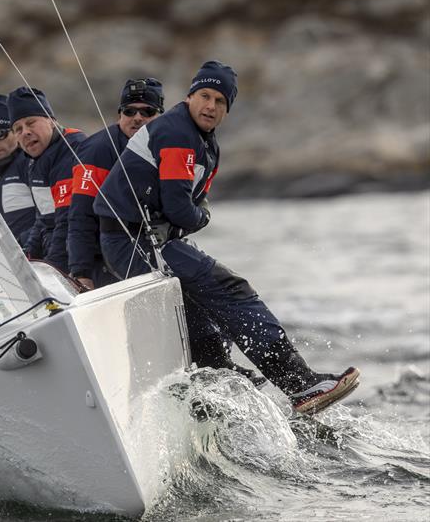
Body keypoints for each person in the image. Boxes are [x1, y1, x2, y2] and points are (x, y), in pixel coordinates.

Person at [94, 61, 360, 414]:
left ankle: (215, 381)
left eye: (220, 101)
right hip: (134, 244)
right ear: (190, 96)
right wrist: (202, 215)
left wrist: (190, 214)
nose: (211, 106)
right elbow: (179, 207)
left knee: (200, 312)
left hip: (142, 242)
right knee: (233, 291)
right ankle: (300, 385)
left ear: (227, 109)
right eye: (204, 95)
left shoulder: (197, 137)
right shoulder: (177, 132)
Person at [68, 78, 164, 290]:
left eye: (147, 112)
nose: (137, 118)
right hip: (104, 259)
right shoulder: (97, 150)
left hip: (151, 247)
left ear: (160, 116)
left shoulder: (167, 145)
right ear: (119, 114)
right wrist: (81, 272)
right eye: (129, 111)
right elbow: (80, 216)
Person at [7, 86, 85, 273]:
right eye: (18, 129)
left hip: (81, 258)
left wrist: (53, 268)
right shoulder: (36, 160)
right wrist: (28, 257)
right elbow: (43, 218)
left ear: (51, 121)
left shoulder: (73, 150)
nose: (25, 132)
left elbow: (67, 221)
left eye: (31, 123)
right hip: (56, 250)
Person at [0, 94, 36, 246]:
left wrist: (23, 242)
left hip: (41, 262)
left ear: (16, 132)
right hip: (16, 264)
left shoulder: (30, 163)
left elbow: (53, 216)